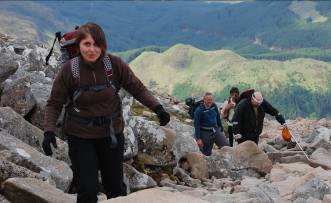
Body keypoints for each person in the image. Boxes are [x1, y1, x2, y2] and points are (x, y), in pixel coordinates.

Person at [42, 22, 170, 202]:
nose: (92, 49)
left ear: (103, 46)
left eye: (97, 44)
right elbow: (54, 103)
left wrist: (158, 108)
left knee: (115, 187)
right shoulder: (69, 70)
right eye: (87, 44)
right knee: (87, 189)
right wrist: (48, 131)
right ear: (79, 46)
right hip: (80, 136)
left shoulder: (114, 65)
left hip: (111, 135)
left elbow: (137, 88)